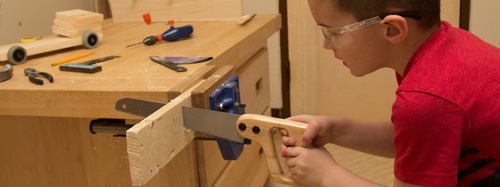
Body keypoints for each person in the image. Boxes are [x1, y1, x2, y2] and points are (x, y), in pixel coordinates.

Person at [281, 0, 500, 186]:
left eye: (333, 33)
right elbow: (415, 139)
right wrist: (336, 130)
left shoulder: (426, 98)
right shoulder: (445, 46)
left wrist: (326, 175)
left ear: (392, 29)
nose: (326, 45)